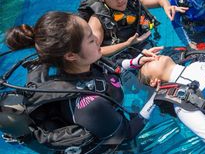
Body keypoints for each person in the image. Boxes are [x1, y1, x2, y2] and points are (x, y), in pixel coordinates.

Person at [0, 11, 160, 153]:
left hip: (108, 117)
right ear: (70, 55)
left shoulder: (81, 63)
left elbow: (109, 68)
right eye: (91, 40)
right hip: (115, 145)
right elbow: (127, 134)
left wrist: (135, 62)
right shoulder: (89, 104)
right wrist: (156, 97)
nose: (98, 41)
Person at [78, 0, 186, 58]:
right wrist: (127, 44)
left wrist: (167, 6)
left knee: (182, 53)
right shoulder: (97, 20)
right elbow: (93, 51)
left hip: (143, 48)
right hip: (121, 60)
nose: (120, 0)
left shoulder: (132, 1)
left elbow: (160, 0)